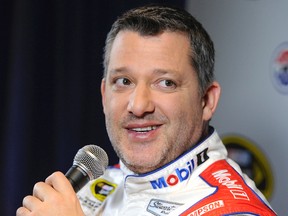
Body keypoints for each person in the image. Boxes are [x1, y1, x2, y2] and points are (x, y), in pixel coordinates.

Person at [16, 4, 277, 216]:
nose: (138, 105)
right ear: (105, 95)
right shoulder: (96, 186)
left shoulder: (234, 210)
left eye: (165, 83)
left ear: (207, 101)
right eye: (124, 82)